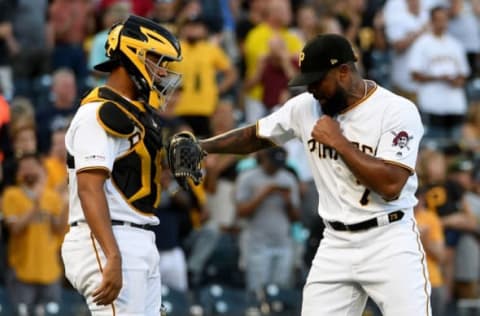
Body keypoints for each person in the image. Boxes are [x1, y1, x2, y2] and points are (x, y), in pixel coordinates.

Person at [199, 33, 430, 315]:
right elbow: (255, 135)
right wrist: (202, 147)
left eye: (318, 80)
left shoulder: (396, 110)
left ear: (344, 71)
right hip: (335, 242)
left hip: (389, 239)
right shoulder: (305, 107)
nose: (311, 90)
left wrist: (340, 143)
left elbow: (392, 184)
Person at [60, 15, 183, 315]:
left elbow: (129, 182)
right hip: (108, 237)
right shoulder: (100, 112)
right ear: (134, 55)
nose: (163, 70)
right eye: (157, 59)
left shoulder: (136, 113)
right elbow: (90, 189)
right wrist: (112, 255)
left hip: (137, 236)